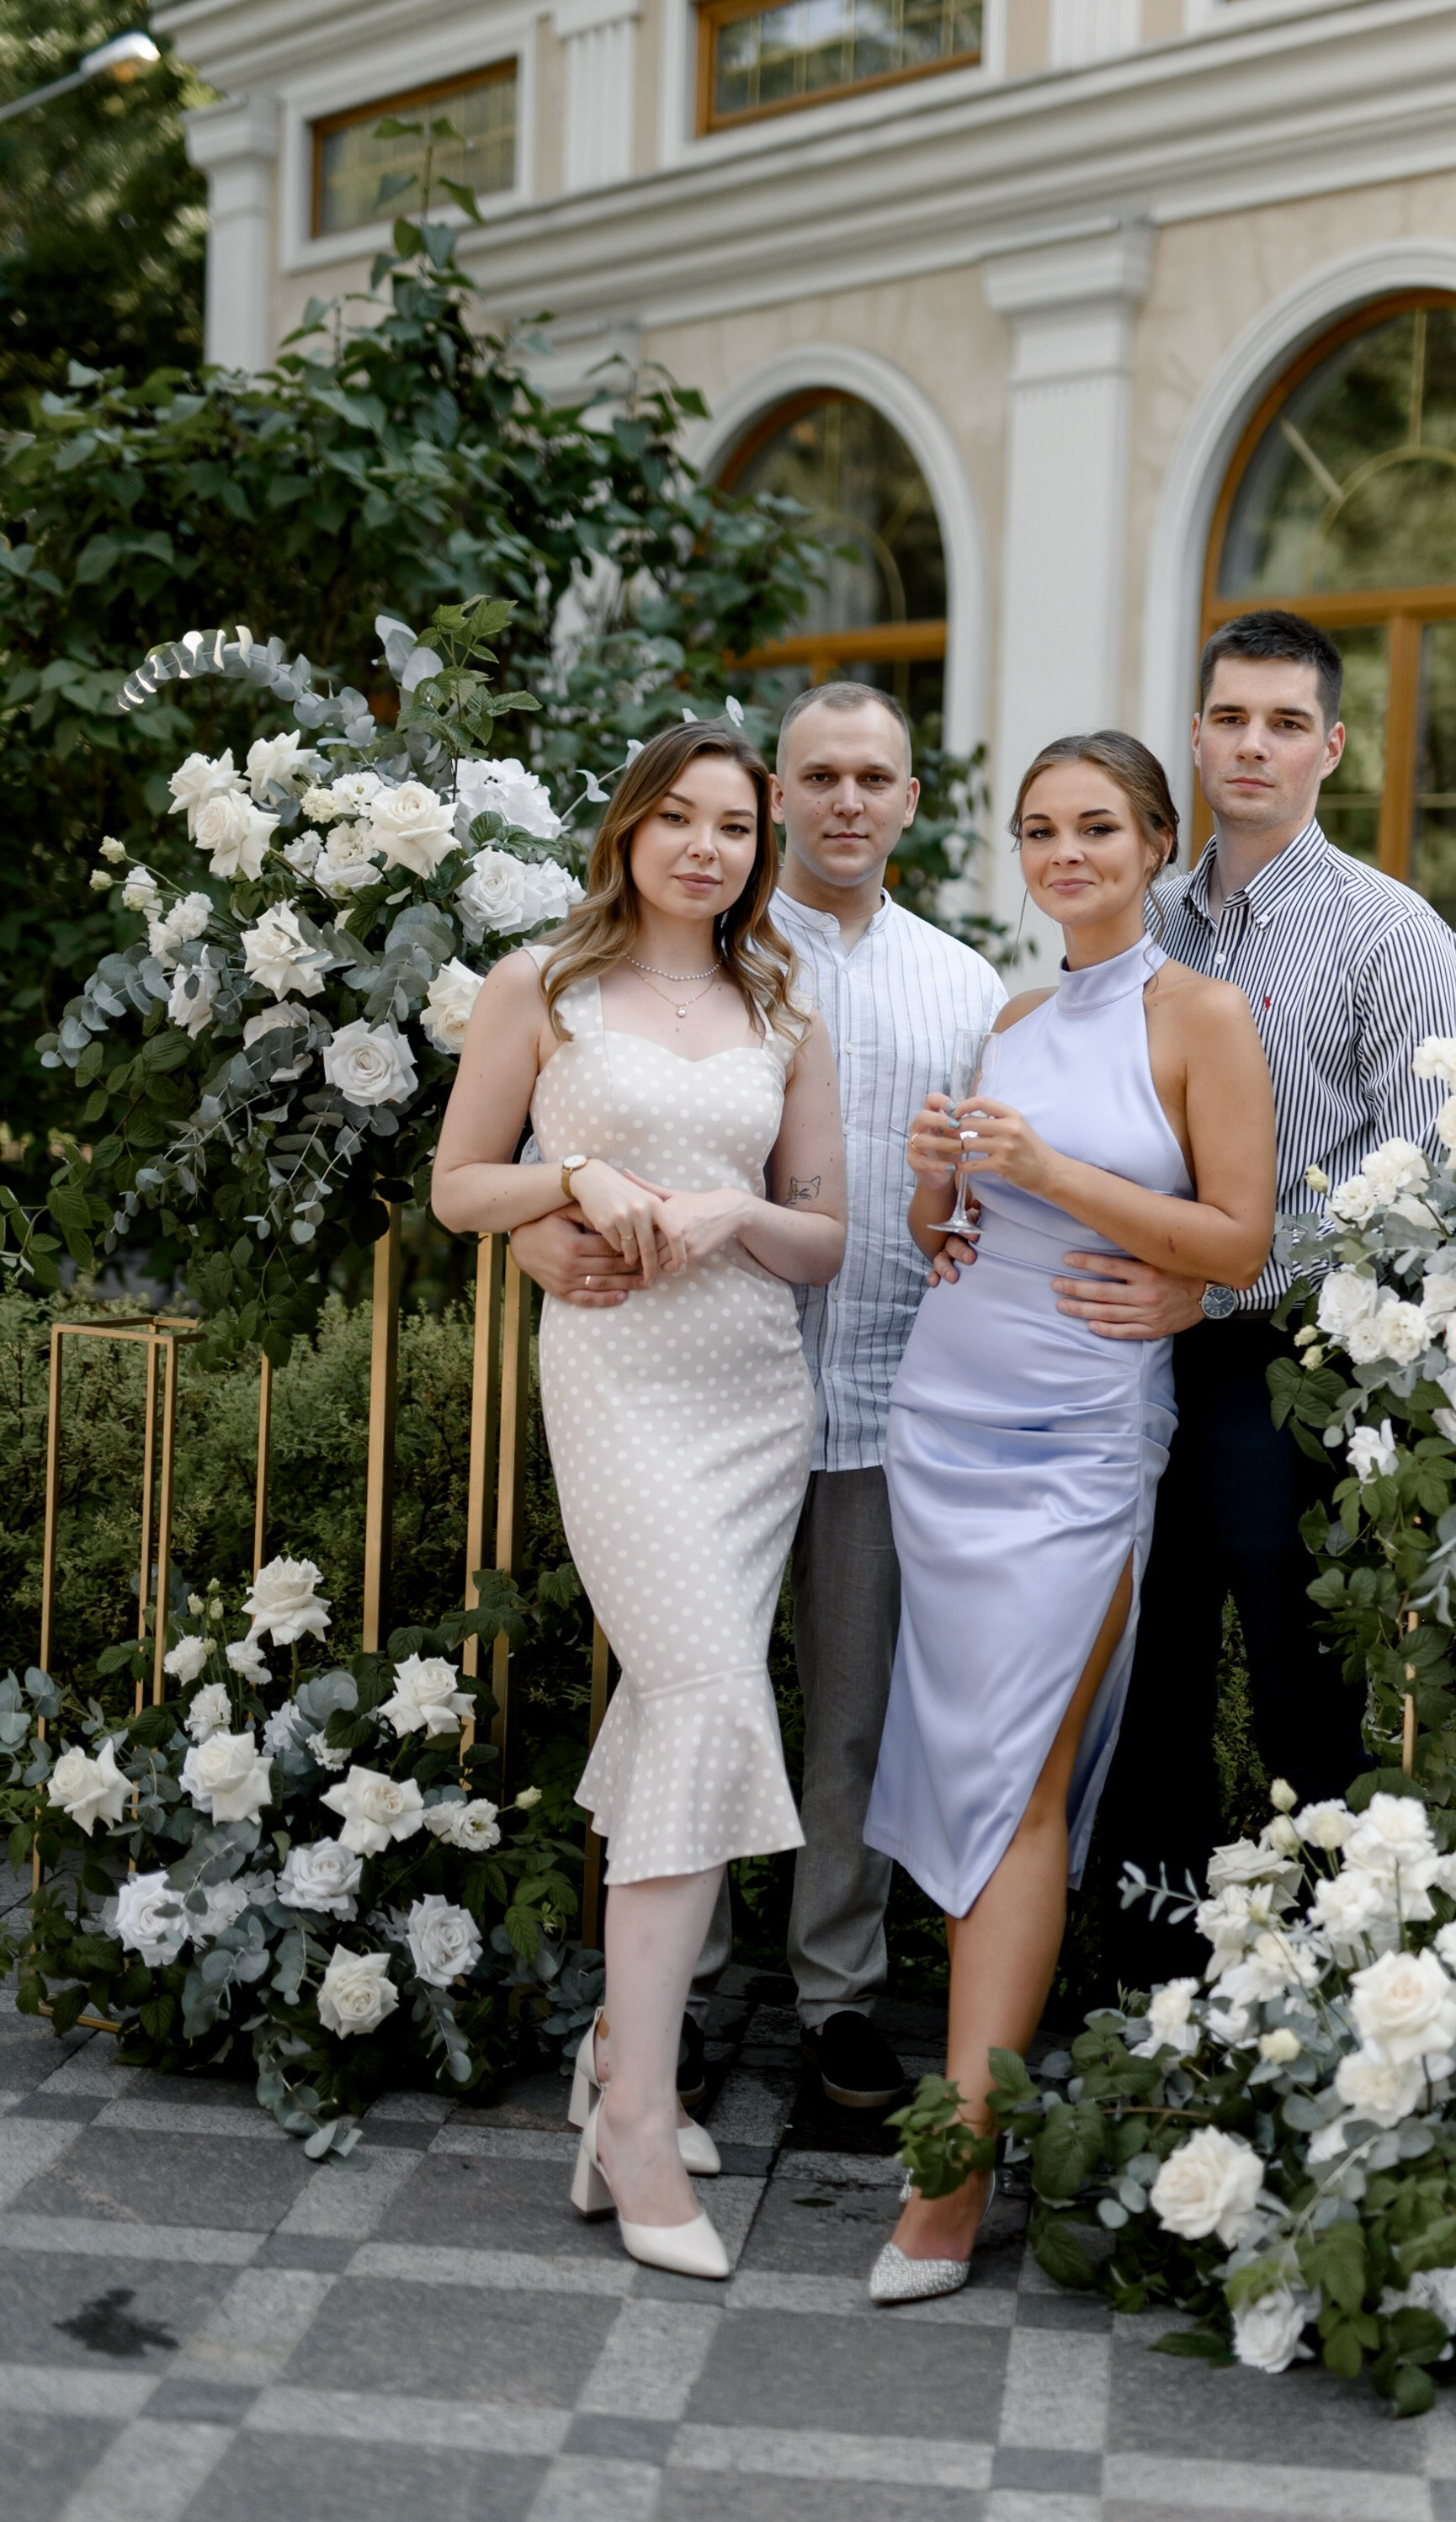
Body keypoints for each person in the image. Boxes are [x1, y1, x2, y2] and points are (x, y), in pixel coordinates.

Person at [510, 682, 1006, 2110]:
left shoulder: (965, 986)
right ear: (777, 799)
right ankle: (692, 1994)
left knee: (849, 1717)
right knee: (694, 1689)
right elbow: (543, 1142)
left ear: (912, 799)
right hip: (682, 1387)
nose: (848, 800)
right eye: (818, 777)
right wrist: (546, 1226)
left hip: (882, 1397)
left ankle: (838, 1998)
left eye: (878, 777)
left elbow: (965, 1196)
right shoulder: (695, 952)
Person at [863, 730, 1278, 2302]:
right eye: (1039, 830)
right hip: (950, 1415)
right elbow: (963, 1235)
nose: (1064, 853)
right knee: (970, 1766)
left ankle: (954, 2177)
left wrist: (1057, 1171)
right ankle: (968, 2130)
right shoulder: (1012, 1017)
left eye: (1097, 826)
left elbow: (1238, 1238)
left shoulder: (1204, 1017)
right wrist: (933, 1187)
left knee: (1021, 1778)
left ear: (1159, 841)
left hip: (1084, 1439)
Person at [432, 719, 845, 2278]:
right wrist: (572, 1178)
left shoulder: (781, 1006)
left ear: (758, 849)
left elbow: (827, 1240)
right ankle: (638, 2119)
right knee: (702, 1698)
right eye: (677, 817)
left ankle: (621, 2062)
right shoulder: (539, 988)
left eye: (733, 827)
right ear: (628, 829)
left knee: (684, 1705)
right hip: (616, 1383)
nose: (705, 848)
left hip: (753, 1397)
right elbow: (459, 1184)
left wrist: (741, 1206)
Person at [1068, 610, 1456, 1989]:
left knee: (1303, 1696)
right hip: (1118, 1357)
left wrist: (1221, 1281)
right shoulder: (1143, 915)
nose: (1254, 744)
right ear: (1195, 734)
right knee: (1146, 1681)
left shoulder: (1392, 937)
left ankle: (1338, 1991)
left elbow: (1418, 1200)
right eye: (1232, 718)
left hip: (1282, 1372)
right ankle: (1149, 1985)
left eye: (1286, 723)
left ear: (1332, 747)